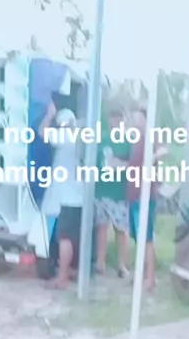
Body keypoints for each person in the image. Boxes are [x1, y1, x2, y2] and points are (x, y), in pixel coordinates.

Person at [39, 102, 84, 288]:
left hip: (66, 196)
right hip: (78, 196)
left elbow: (42, 132)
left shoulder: (65, 137)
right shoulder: (80, 138)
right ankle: (70, 271)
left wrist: (49, 114)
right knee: (72, 238)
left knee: (64, 238)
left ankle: (62, 278)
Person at [127, 107, 168, 292]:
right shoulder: (135, 140)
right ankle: (142, 274)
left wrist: (153, 158)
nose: (135, 122)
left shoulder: (150, 137)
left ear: (145, 120)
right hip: (133, 195)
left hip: (144, 196)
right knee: (139, 238)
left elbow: (164, 150)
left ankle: (150, 279)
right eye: (134, 119)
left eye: (138, 119)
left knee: (146, 238)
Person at [94, 107, 131, 278]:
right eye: (113, 118)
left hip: (119, 193)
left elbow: (134, 164)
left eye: (119, 118)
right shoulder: (101, 140)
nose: (116, 122)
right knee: (102, 227)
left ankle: (122, 265)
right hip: (101, 190)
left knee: (121, 230)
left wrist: (121, 164)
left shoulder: (128, 141)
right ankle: (100, 263)